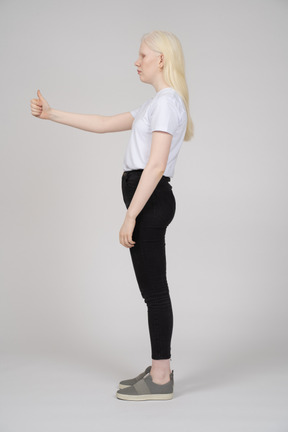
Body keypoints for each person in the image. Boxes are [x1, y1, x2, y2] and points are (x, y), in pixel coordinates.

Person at [30, 30, 194, 401]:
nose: (136, 62)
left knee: (155, 293)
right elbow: (104, 123)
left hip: (149, 202)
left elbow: (154, 166)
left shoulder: (167, 102)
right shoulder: (156, 104)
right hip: (148, 201)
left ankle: (162, 377)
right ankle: (158, 367)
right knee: (152, 292)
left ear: (161, 60)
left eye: (142, 55)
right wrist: (52, 113)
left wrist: (130, 216)